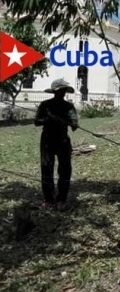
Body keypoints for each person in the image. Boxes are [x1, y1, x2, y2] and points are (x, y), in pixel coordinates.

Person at [34, 79, 78, 209]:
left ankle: (61, 200)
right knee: (46, 168)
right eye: (60, 90)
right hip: (47, 140)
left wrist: (70, 122)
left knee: (65, 169)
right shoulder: (45, 105)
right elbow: (36, 121)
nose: (63, 93)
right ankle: (48, 199)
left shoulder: (69, 107)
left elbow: (74, 124)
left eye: (64, 90)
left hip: (63, 140)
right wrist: (47, 119)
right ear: (55, 91)